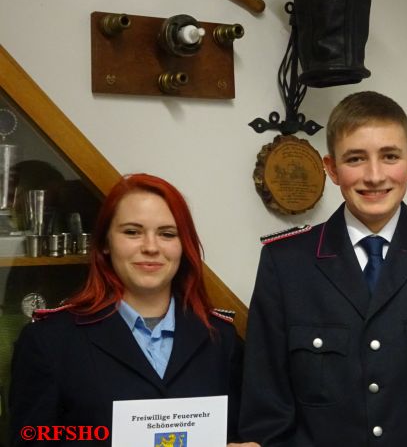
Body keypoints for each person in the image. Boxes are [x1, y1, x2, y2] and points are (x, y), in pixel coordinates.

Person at [238, 91, 407, 446]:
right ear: (331, 168)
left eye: (390, 156)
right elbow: (267, 412)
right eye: (355, 159)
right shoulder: (286, 263)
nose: (375, 175)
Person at [8, 173, 252, 447]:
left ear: (183, 246)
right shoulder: (48, 341)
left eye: (167, 234)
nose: (150, 247)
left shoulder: (221, 338)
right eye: (132, 232)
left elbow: (234, 433)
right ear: (104, 243)